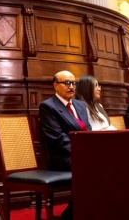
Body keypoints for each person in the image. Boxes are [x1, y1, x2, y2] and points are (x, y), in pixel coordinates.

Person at [39, 70, 91, 220]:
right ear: (55, 86)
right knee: (96, 169)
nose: (71, 87)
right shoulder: (48, 107)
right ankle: (70, 216)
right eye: (66, 83)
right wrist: (83, 153)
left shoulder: (80, 105)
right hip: (64, 157)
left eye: (73, 83)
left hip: (84, 155)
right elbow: (57, 139)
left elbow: (88, 131)